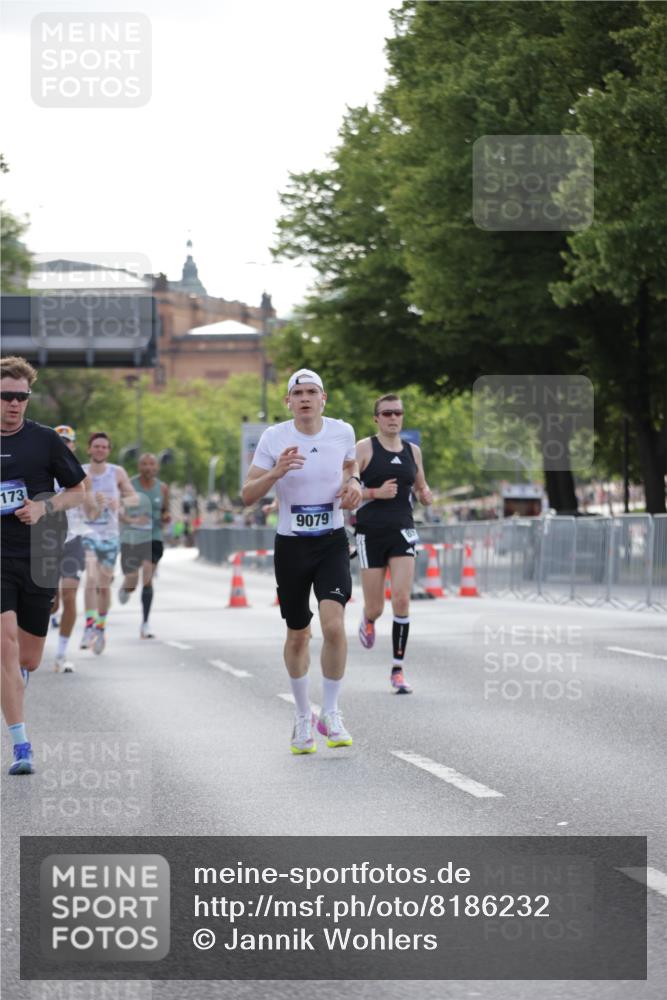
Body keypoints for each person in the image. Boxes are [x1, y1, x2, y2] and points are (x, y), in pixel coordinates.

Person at [242, 368, 362, 754]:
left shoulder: (342, 431)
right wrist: (276, 471)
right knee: (298, 634)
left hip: (331, 541)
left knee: (335, 627)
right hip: (292, 545)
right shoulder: (274, 437)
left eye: (313, 392)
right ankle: (300, 717)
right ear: (288, 402)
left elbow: (349, 464)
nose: (306, 398)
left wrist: (355, 483)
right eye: (299, 393)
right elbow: (247, 494)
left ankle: (330, 711)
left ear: (323, 399)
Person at [1, 356, 85, 774]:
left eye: (21, 397)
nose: (14, 404)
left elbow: (79, 490)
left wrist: (43, 506)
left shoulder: (46, 440)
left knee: (28, 659)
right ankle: (21, 745)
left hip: (38, 556)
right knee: (6, 644)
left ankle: (15, 685)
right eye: (6, 396)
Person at [355, 394, 433, 693]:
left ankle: (398, 669)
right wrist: (374, 493)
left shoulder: (413, 451)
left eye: (397, 413)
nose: (393, 418)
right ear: (376, 418)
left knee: (401, 599)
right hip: (370, 533)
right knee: (375, 606)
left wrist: (426, 494)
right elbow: (343, 491)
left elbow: (421, 484)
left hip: (402, 530)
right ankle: (368, 618)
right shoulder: (363, 449)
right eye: (386, 413)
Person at [81, 432, 138, 654]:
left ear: (109, 451)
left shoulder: (117, 472)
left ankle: (100, 628)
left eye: (104, 447)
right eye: (96, 446)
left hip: (110, 535)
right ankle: (88, 626)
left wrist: (119, 502)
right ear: (89, 449)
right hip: (87, 531)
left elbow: (134, 498)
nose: (100, 450)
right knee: (91, 578)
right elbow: (72, 496)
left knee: (103, 585)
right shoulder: (81, 472)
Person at [50, 425, 91, 672]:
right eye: (59, 442)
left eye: (68, 442)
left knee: (69, 594)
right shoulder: (43, 469)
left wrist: (97, 505)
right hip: (47, 541)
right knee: (51, 603)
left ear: (73, 446)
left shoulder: (83, 475)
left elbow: (93, 510)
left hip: (74, 538)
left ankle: (62, 653)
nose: (64, 445)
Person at [117, 452, 171, 638]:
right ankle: (126, 588)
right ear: (139, 467)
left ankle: (145, 623)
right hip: (132, 537)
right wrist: (133, 519)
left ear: (156, 467)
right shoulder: (130, 486)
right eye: (144, 464)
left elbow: (165, 511)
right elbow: (119, 512)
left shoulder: (162, 488)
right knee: (132, 581)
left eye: (152, 464)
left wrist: (166, 517)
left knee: (147, 577)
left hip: (154, 537)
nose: (148, 467)